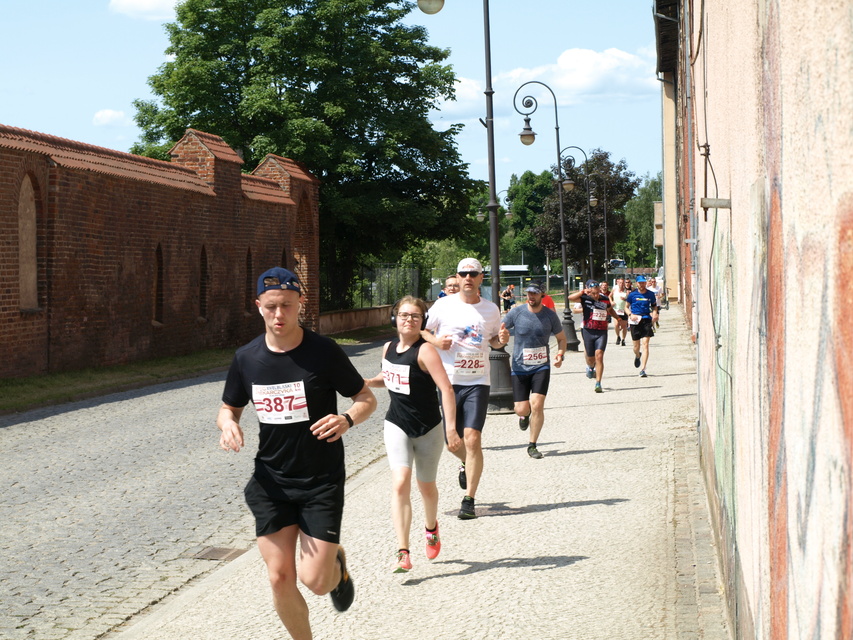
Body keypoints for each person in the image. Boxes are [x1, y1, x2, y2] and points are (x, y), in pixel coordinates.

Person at [217, 267, 377, 640]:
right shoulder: (246, 358)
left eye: (286, 306)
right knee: (279, 577)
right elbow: (229, 408)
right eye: (271, 306)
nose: (279, 315)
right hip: (271, 482)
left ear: (300, 304)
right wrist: (228, 424)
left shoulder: (323, 352)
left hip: (320, 480)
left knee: (316, 582)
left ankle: (336, 564)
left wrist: (347, 419)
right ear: (258, 306)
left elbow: (365, 397)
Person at [365, 296, 462, 573]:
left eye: (415, 316)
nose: (409, 320)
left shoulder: (426, 352)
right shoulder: (388, 348)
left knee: (426, 487)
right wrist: (370, 382)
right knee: (400, 482)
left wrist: (450, 428)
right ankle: (403, 551)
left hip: (428, 428)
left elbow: (446, 389)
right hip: (396, 423)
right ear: (395, 318)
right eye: (404, 315)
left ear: (422, 322)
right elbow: (390, 375)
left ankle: (431, 527)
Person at [422, 258, 504, 520]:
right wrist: (436, 340)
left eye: (473, 274)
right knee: (452, 442)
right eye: (462, 274)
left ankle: (469, 499)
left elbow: (493, 339)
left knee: (472, 438)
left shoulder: (491, 309)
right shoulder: (443, 304)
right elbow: (422, 331)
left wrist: (501, 341)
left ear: (481, 278)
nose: (467, 278)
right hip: (448, 381)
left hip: (478, 381)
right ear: (457, 278)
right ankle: (465, 462)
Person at [497, 284, 567, 458]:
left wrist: (560, 354)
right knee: (521, 408)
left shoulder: (550, 316)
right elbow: (500, 330)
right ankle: (523, 416)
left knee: (537, 405)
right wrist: (501, 335)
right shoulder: (517, 312)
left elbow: (561, 339)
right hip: (520, 367)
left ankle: (532, 445)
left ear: (541, 295)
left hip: (541, 366)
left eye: (535, 294)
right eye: (529, 293)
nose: (531, 296)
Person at [569, 279, 623, 393]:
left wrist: (618, 318)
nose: (595, 295)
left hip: (601, 331)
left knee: (599, 356)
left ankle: (598, 383)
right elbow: (570, 298)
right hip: (588, 330)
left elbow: (610, 309)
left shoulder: (604, 299)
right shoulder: (585, 298)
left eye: (597, 293)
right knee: (590, 358)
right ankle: (590, 367)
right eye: (593, 293)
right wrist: (583, 292)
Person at [625, 275, 660, 377]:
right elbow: (626, 307)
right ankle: (637, 355)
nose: (642, 284)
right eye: (640, 282)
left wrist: (654, 314)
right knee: (636, 347)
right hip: (635, 321)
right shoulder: (632, 295)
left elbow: (654, 306)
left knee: (646, 344)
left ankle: (643, 369)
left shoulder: (650, 294)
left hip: (646, 320)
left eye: (643, 282)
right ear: (636, 283)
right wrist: (630, 315)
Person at [610, 278, 629, 346]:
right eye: (620, 283)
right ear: (618, 283)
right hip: (616, 310)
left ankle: (623, 339)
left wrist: (625, 299)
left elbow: (630, 299)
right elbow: (610, 296)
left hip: (623, 310)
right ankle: (618, 336)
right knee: (616, 325)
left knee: (624, 327)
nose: (621, 284)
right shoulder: (615, 289)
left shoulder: (626, 291)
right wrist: (611, 302)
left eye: (622, 283)